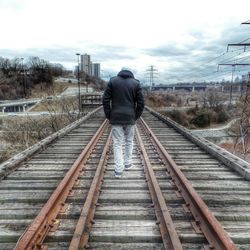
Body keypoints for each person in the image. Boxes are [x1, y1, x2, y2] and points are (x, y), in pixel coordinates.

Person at [102, 67, 144, 178]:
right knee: (129, 141)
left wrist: (108, 114)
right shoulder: (136, 83)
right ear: (131, 73)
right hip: (130, 117)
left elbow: (105, 99)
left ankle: (118, 170)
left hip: (116, 117)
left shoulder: (112, 81)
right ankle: (128, 163)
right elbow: (141, 103)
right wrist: (136, 116)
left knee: (117, 143)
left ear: (120, 72)